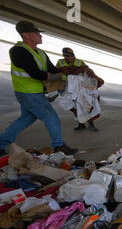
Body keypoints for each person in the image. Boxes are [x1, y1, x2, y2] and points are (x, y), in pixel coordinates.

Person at [0, 21, 78, 157]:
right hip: (28, 92)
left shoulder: (40, 53)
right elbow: (35, 73)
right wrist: (60, 80)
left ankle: (1, 143)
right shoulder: (18, 51)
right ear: (26, 35)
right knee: (51, 117)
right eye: (37, 33)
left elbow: (52, 70)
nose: (40, 36)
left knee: (26, 119)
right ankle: (58, 145)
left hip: (33, 93)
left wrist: (71, 76)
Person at [56, 47, 103, 131]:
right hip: (69, 89)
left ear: (73, 56)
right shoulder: (60, 62)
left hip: (81, 89)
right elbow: (56, 73)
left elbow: (88, 72)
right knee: (75, 107)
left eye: (68, 56)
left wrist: (95, 81)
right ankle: (81, 124)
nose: (66, 58)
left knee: (86, 105)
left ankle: (91, 124)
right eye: (64, 56)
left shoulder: (79, 63)